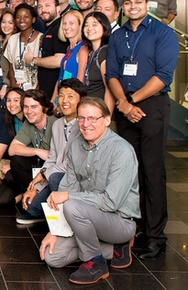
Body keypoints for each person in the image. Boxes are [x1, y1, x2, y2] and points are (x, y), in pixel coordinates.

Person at [107, 0, 180, 259]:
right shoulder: (117, 36)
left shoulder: (163, 33)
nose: (133, 6)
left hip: (152, 106)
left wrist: (132, 101)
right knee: (130, 172)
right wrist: (123, 104)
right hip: (125, 107)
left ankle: (156, 237)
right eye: (128, 2)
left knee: (152, 171)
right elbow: (112, 73)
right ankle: (135, 228)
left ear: (146, 5)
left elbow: (163, 75)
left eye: (138, 1)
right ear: (123, 7)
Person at [39, 97, 139, 285]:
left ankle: (96, 262)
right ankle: (112, 249)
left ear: (107, 120)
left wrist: (69, 196)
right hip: (86, 218)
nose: (86, 124)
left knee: (71, 205)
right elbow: (68, 185)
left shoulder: (122, 151)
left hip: (118, 221)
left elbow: (110, 202)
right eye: (82, 118)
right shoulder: (76, 145)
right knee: (53, 257)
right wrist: (55, 231)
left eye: (93, 118)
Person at [17, 78, 85, 225]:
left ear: (81, 100)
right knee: (31, 207)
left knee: (55, 178)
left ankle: (64, 221)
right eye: (61, 95)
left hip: (76, 180)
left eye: (70, 96)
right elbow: (52, 158)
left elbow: (71, 164)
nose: (65, 100)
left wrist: (42, 175)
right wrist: (35, 187)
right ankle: (50, 212)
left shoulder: (84, 125)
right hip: (56, 176)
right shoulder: (58, 124)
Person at [0, 89, 54, 207]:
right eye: (26, 107)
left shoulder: (55, 124)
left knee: (30, 204)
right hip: (36, 166)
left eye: (34, 107)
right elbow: (12, 150)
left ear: (45, 108)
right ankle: (28, 190)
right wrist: (37, 151)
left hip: (51, 170)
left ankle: (33, 193)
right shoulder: (29, 123)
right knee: (1, 201)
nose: (29, 111)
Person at [33, 0, 70, 98]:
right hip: (46, 91)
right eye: (40, 6)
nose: (43, 9)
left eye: (47, 5)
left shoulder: (60, 28)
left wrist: (34, 60)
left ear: (58, 8)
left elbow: (59, 60)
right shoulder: (49, 28)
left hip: (57, 94)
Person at [4, 4, 41, 91]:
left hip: (35, 91)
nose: (22, 20)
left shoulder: (41, 39)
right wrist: (15, 89)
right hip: (18, 90)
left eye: (26, 17)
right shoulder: (12, 39)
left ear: (33, 19)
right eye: (18, 17)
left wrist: (36, 91)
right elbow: (11, 66)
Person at [53, 10, 84, 101]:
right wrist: (54, 100)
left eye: (72, 23)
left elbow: (80, 82)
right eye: (64, 23)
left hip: (72, 99)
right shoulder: (68, 48)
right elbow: (61, 76)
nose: (67, 27)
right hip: (62, 95)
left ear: (80, 25)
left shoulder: (82, 49)